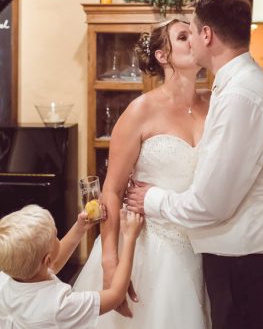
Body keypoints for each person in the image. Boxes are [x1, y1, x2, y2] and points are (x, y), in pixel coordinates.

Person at [127, 0, 263, 329]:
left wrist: (151, 198)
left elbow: (211, 204)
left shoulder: (239, 96)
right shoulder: (232, 87)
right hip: (218, 259)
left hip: (244, 266)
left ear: (207, 35)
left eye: (192, 29)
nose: (190, 40)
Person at [74, 19, 212, 328]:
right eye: (183, 36)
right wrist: (111, 262)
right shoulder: (140, 111)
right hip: (149, 248)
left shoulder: (214, 105)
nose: (195, 39)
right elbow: (112, 189)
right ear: (163, 57)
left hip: (203, 246)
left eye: (195, 33)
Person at [0, 204, 143, 328]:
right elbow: (115, 295)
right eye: (55, 236)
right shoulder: (59, 305)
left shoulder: (6, 277)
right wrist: (130, 238)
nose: (57, 237)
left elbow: (52, 266)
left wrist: (79, 228)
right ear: (47, 260)